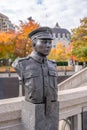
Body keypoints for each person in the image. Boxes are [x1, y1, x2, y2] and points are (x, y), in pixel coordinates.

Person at [12, 27, 58, 106]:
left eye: (50, 42)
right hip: (33, 108)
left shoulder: (52, 64)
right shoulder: (22, 64)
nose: (48, 45)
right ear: (34, 44)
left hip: (52, 106)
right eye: (44, 42)